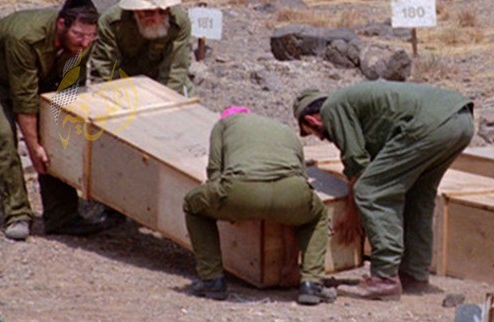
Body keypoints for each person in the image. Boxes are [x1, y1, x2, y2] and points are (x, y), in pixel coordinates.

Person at [0, 0, 117, 241]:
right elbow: (25, 100)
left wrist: (61, 129)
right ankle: (17, 213)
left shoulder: (83, 42)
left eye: (90, 36)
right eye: (78, 35)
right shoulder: (26, 37)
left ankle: (62, 216)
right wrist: (33, 147)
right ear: (61, 24)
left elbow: (70, 88)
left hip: (31, 75)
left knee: (57, 130)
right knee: (1, 134)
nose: (85, 43)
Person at [293, 81, 474, 300]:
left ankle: (384, 278)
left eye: (312, 132)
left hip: (430, 124)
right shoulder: (355, 105)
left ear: (311, 120)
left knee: (371, 190)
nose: (320, 138)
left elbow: (357, 163)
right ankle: (414, 274)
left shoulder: (333, 108)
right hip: (460, 120)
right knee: (418, 195)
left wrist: (352, 211)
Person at [183, 107, 331, 305]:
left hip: (242, 189)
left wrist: (230, 208)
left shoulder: (223, 125)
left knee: (193, 205)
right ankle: (312, 284)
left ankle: (211, 280)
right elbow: (301, 175)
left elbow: (215, 173)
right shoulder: (284, 130)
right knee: (318, 216)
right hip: (291, 193)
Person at [89, 0, 195, 97]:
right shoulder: (111, 23)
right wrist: (122, 99)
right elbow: (105, 68)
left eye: (162, 11)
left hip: (163, 80)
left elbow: (175, 70)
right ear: (135, 10)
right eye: (149, 12)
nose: (157, 19)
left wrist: (164, 99)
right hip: (124, 81)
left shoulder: (179, 22)